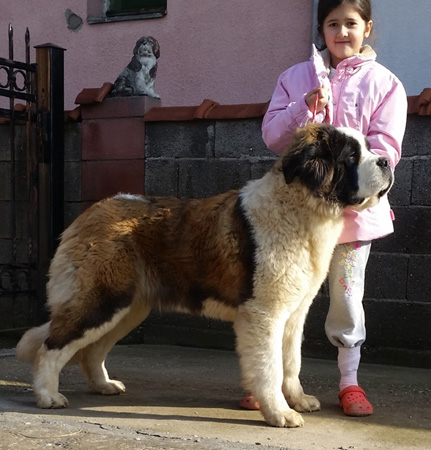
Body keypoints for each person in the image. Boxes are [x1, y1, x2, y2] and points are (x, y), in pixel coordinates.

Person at [239, 0, 407, 416]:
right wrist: (303, 107)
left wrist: (355, 182)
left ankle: (349, 383)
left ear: (367, 28)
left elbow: (386, 151)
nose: (342, 32)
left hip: (354, 218)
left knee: (346, 301)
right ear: (321, 29)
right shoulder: (296, 78)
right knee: (283, 301)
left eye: (351, 23)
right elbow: (273, 136)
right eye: (333, 24)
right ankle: (271, 381)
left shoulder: (385, 83)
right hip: (297, 221)